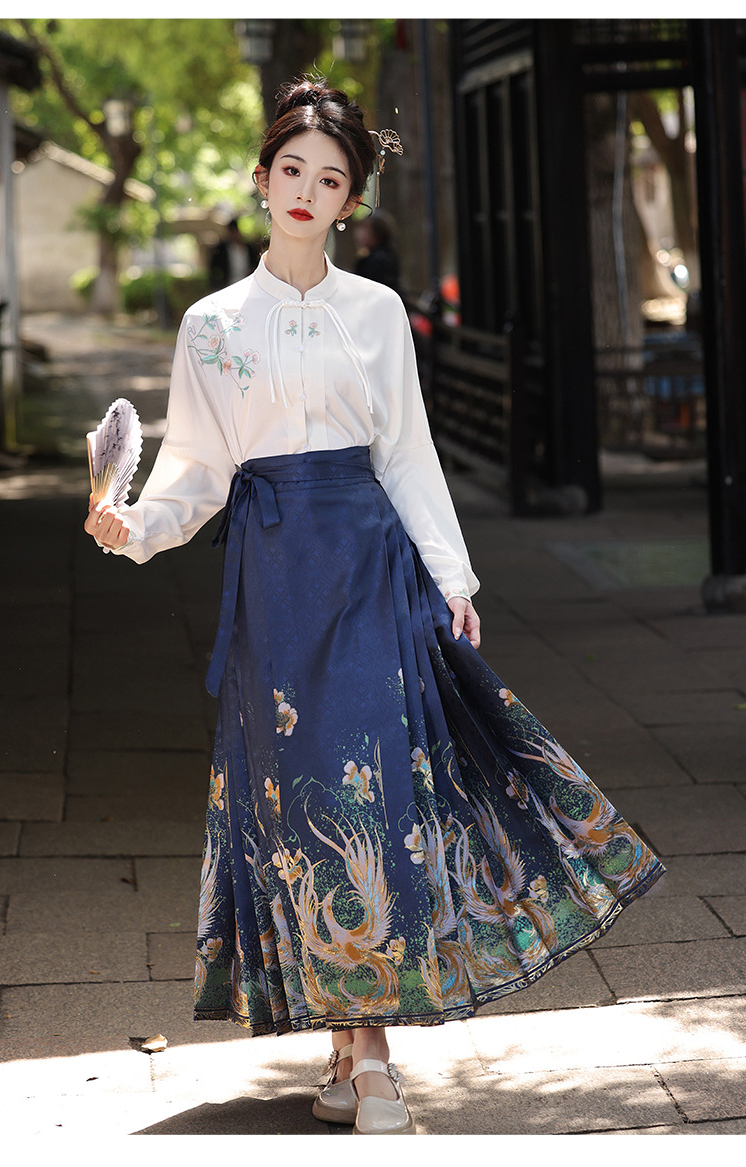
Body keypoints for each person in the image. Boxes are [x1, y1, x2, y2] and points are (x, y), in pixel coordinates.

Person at [84, 78, 665, 1137]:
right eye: (291, 170)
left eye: (330, 178)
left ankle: (376, 1054)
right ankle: (345, 1050)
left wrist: (453, 578)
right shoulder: (212, 325)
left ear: (351, 201)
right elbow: (197, 469)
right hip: (273, 582)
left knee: (376, 793)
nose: (306, 190)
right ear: (261, 179)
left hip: (369, 570)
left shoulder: (376, 311)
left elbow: (405, 451)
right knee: (300, 807)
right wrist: (135, 527)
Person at [354, 209, 402, 297]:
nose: (359, 234)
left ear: (377, 232)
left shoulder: (379, 259)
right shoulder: (384, 255)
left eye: (364, 230)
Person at [209, 218, 259, 289]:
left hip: (246, 284)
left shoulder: (248, 248)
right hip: (228, 285)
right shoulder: (222, 249)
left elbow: (254, 263)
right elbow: (214, 267)